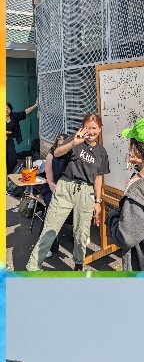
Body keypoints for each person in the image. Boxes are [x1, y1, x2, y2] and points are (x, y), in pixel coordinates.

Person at [26, 112, 109, 271]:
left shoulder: (101, 152)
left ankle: (79, 264)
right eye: (87, 127)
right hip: (65, 187)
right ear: (82, 127)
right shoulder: (74, 139)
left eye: (94, 128)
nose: (90, 132)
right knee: (50, 228)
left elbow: (98, 178)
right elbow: (56, 153)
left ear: (100, 129)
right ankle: (33, 267)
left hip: (86, 191)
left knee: (81, 232)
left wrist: (98, 201)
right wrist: (73, 143)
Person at [6, 100, 38, 174]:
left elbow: (25, 112)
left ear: (10, 109)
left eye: (7, 108)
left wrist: (36, 105)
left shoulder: (14, 116)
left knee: (13, 160)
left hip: (9, 141)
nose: (6, 110)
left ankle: (8, 175)